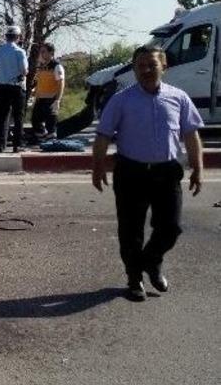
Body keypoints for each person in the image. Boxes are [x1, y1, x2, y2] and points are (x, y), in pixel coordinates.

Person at [92, 45, 204, 302]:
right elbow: (103, 136)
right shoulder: (121, 100)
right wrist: (97, 167)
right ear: (133, 69)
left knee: (171, 227)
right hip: (131, 172)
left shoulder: (179, 98)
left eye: (152, 65)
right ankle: (134, 279)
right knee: (130, 231)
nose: (146, 70)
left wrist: (198, 168)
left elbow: (191, 134)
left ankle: (151, 262)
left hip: (167, 172)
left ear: (164, 66)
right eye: (140, 66)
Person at [0, 25, 29, 153]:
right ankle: (17, 144)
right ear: (18, 37)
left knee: (2, 116)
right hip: (16, 87)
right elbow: (24, 71)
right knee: (18, 116)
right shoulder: (20, 52)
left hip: (2, 87)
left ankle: (0, 145)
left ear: (6, 36)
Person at [31, 42, 65, 141]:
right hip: (40, 99)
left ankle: (51, 145)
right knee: (35, 121)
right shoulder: (41, 66)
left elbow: (61, 83)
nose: (41, 54)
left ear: (51, 53)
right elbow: (39, 82)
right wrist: (35, 93)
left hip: (51, 99)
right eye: (41, 52)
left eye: (44, 52)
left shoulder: (57, 66)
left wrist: (57, 100)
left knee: (51, 124)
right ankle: (43, 139)